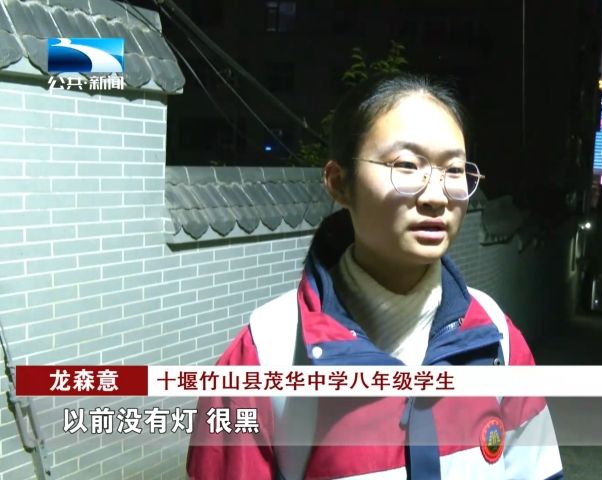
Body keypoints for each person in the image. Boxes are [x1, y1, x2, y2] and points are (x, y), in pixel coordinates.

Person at [187, 73, 563, 479]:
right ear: (339, 182)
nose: (436, 195)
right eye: (406, 165)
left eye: (454, 170)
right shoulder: (264, 357)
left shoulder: (494, 337)